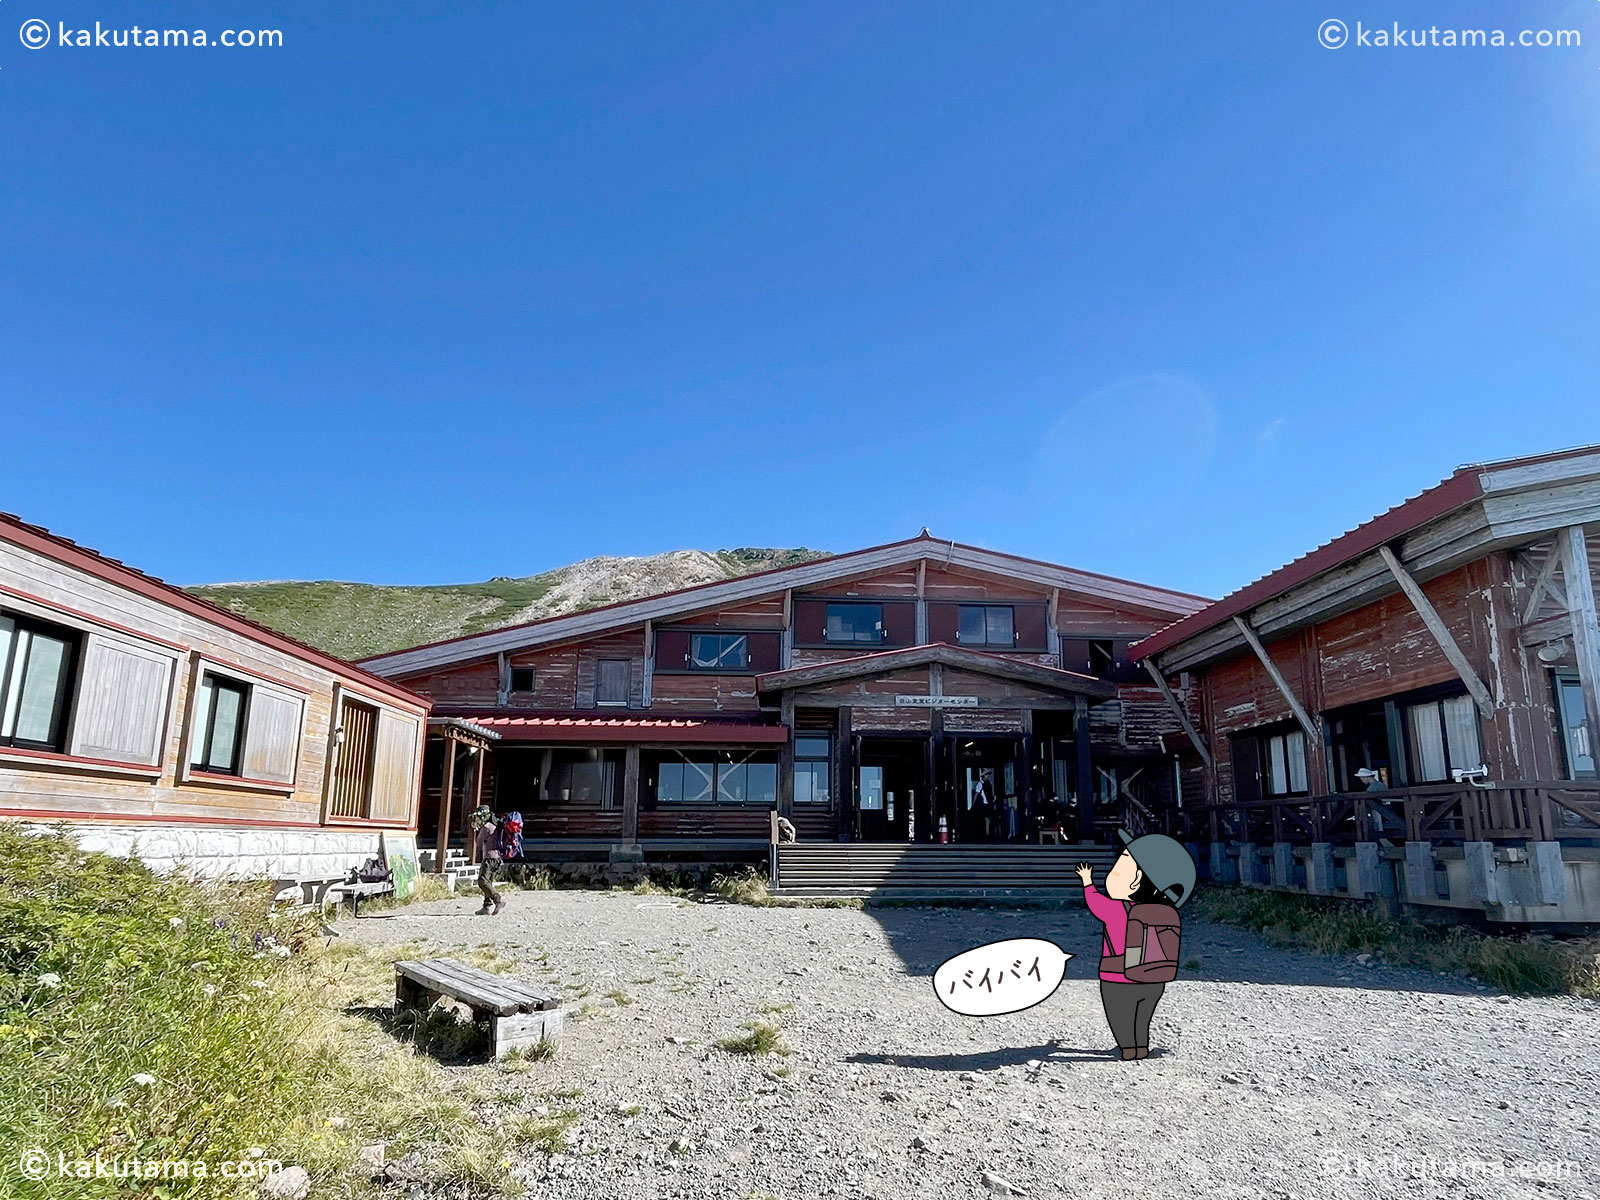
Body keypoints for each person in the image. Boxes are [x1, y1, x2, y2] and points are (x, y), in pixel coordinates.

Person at [1076, 829, 1196, 1060]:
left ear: (1136, 881)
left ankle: (1129, 1049)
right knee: (1142, 1017)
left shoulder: (1116, 908)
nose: (1113, 873)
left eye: (1120, 868)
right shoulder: (1166, 912)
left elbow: (1094, 901)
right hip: (1155, 976)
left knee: (1121, 1016)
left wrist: (1087, 882)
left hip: (1117, 976)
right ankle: (1141, 1047)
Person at [470, 805, 504, 916]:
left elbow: (479, 842)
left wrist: (477, 830)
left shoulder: (487, 827)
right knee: (488, 882)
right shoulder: (496, 825)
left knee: (482, 881)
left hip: (489, 858)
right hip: (497, 858)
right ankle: (486, 906)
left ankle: (498, 900)